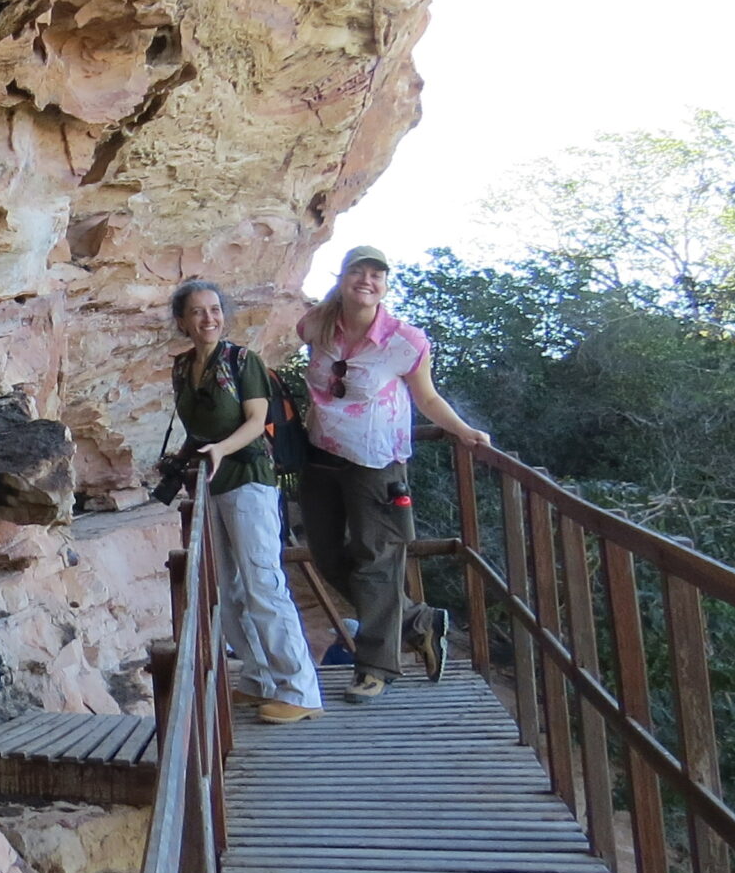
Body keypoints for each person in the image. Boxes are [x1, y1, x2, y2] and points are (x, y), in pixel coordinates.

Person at [297, 245, 491, 703]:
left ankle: (376, 667)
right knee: (326, 556)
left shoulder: (405, 341)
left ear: (385, 285)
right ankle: (418, 620)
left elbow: (427, 398)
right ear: (342, 277)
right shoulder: (315, 326)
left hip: (376, 462)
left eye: (376, 275)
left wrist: (463, 430)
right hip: (320, 456)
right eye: (357, 272)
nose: (366, 281)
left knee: (377, 561)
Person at [166, 279, 323, 722]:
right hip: (211, 484)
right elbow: (198, 426)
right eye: (197, 311)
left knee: (262, 582)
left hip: (249, 479)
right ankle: (259, 679)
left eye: (215, 309)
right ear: (182, 321)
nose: (208, 318)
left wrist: (221, 449)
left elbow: (256, 421)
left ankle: (300, 690)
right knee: (226, 588)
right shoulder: (182, 368)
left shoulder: (242, 361)